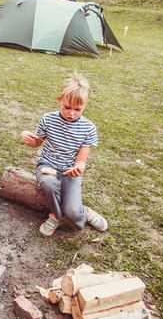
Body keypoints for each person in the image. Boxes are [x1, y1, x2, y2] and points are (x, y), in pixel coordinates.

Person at [21, 74, 108, 236]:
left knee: (73, 213)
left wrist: (78, 168)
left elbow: (81, 160)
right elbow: (37, 142)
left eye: (77, 109)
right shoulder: (48, 119)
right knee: (48, 183)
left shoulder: (88, 128)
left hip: (69, 171)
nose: (71, 113)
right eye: (67, 107)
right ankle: (56, 216)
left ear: (85, 104)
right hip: (47, 165)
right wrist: (28, 137)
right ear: (60, 100)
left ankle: (84, 213)